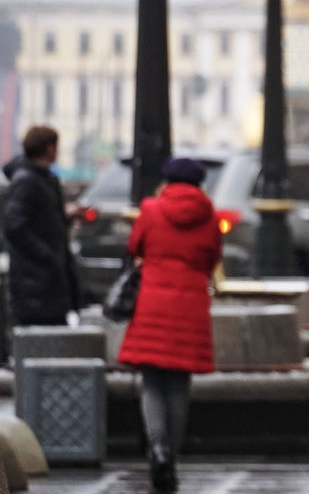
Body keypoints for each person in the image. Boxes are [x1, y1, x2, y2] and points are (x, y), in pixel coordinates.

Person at [117, 158, 222, 492]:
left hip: (153, 300)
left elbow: (134, 246)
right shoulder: (209, 216)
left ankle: (158, 447)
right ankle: (171, 457)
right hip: (190, 304)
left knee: (151, 381)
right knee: (178, 383)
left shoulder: (151, 210)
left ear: (167, 181)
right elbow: (212, 257)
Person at [2, 125, 82, 327]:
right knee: (42, 337)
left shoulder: (44, 179)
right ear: (49, 148)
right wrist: (46, 255)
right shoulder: (27, 181)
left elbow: (40, 220)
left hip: (47, 282)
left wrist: (65, 217)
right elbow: (14, 225)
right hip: (35, 283)